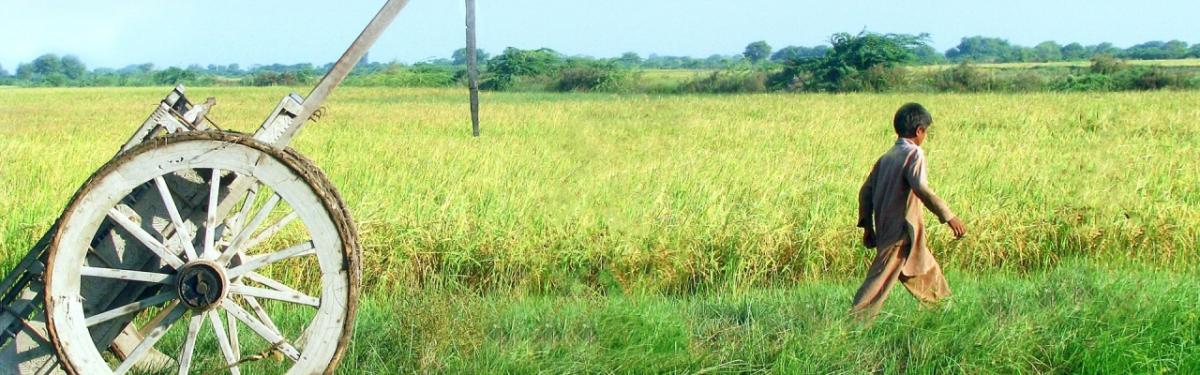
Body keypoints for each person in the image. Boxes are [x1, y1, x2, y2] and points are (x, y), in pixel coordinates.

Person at [851, 102, 966, 319]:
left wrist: (868, 226)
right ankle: (851, 326)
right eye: (926, 132)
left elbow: (865, 192)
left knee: (929, 275)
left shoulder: (887, 157)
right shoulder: (914, 154)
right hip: (900, 233)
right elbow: (920, 188)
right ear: (919, 130)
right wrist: (949, 216)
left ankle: (948, 318)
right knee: (878, 283)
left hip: (894, 231)